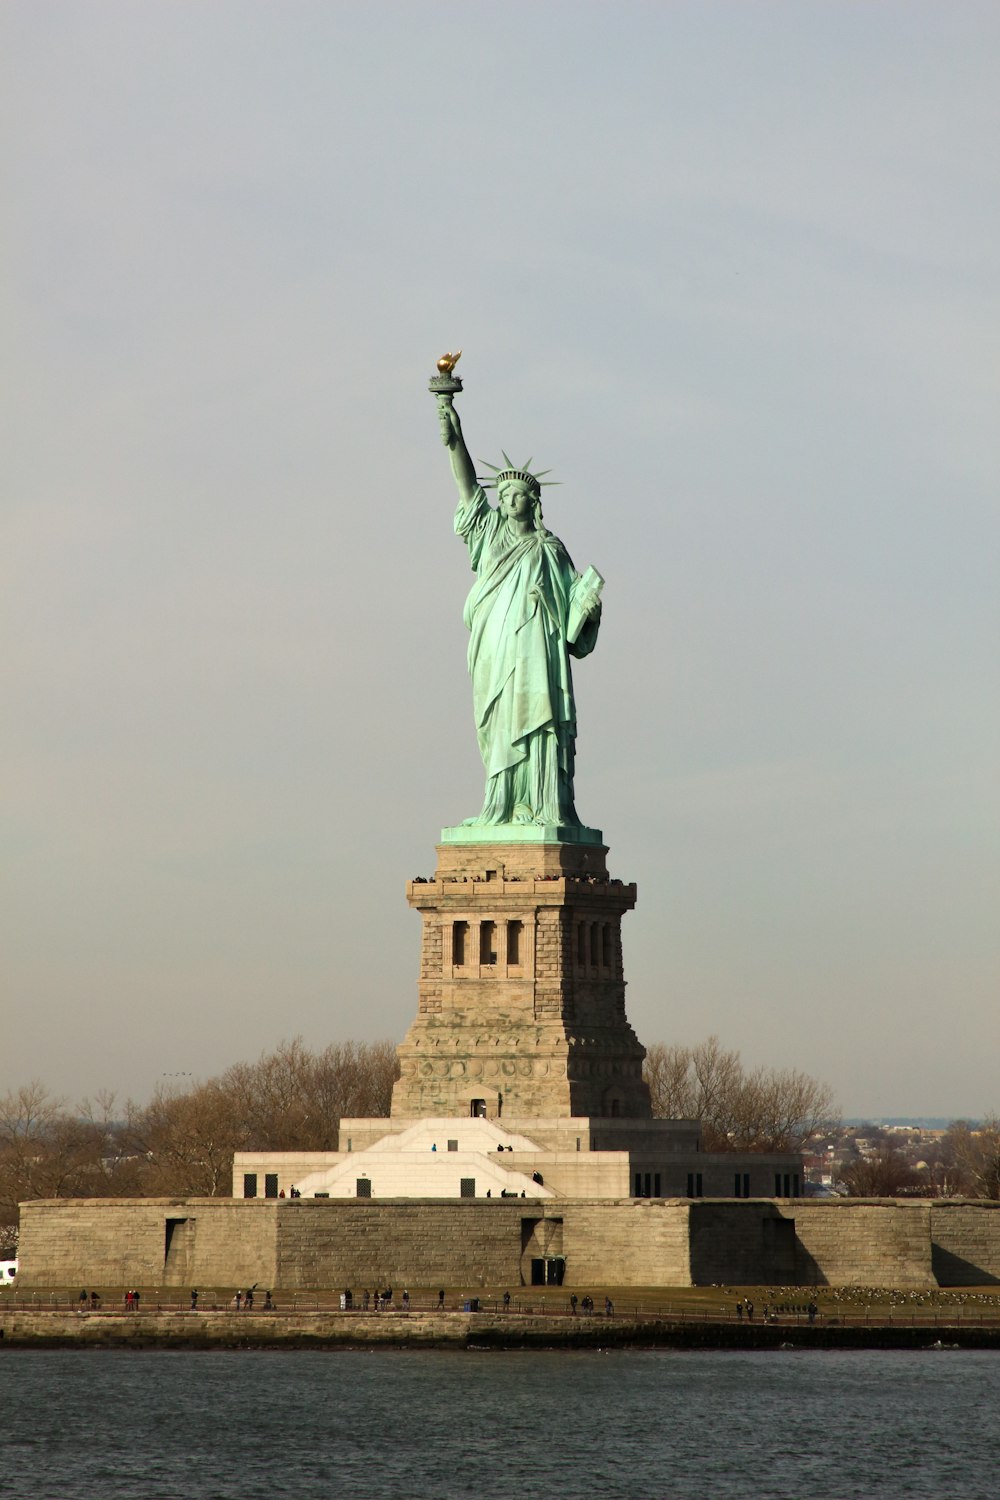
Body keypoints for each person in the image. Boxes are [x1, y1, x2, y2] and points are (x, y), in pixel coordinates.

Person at [437, 393, 602, 827]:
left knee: (538, 719)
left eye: (519, 495)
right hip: (496, 647)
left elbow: (572, 619)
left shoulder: (551, 548)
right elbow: (468, 488)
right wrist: (456, 441)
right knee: (499, 721)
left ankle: (544, 805)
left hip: (537, 651)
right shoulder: (489, 534)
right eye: (505, 494)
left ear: (534, 502)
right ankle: (502, 804)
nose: (510, 501)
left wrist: (589, 609)